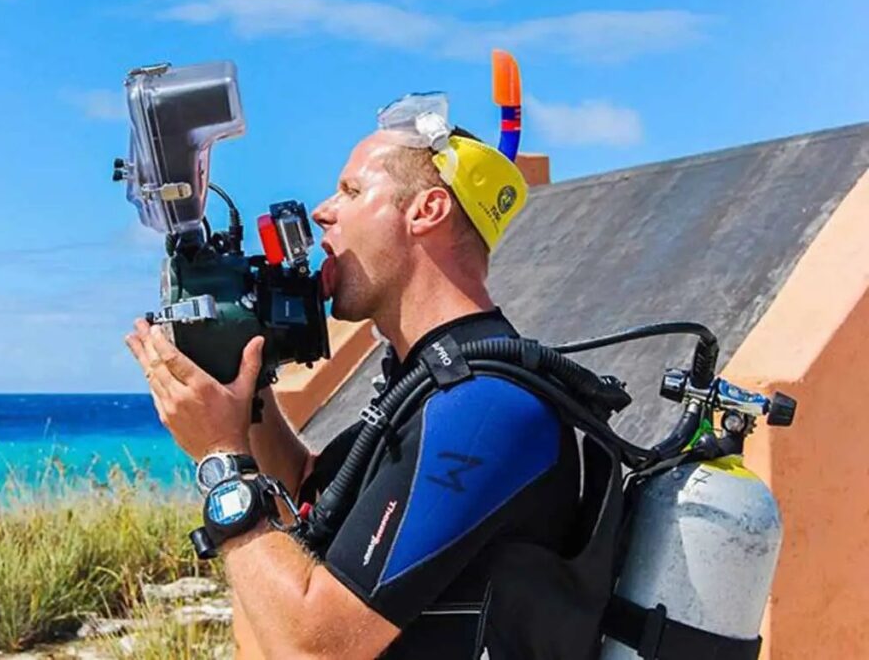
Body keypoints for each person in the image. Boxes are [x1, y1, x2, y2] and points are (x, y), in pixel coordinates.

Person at [126, 97, 585, 659]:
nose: (322, 211)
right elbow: (307, 489)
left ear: (427, 211)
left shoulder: (483, 408)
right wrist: (242, 381)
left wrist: (222, 463)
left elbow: (316, 649)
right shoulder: (421, 386)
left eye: (350, 192)